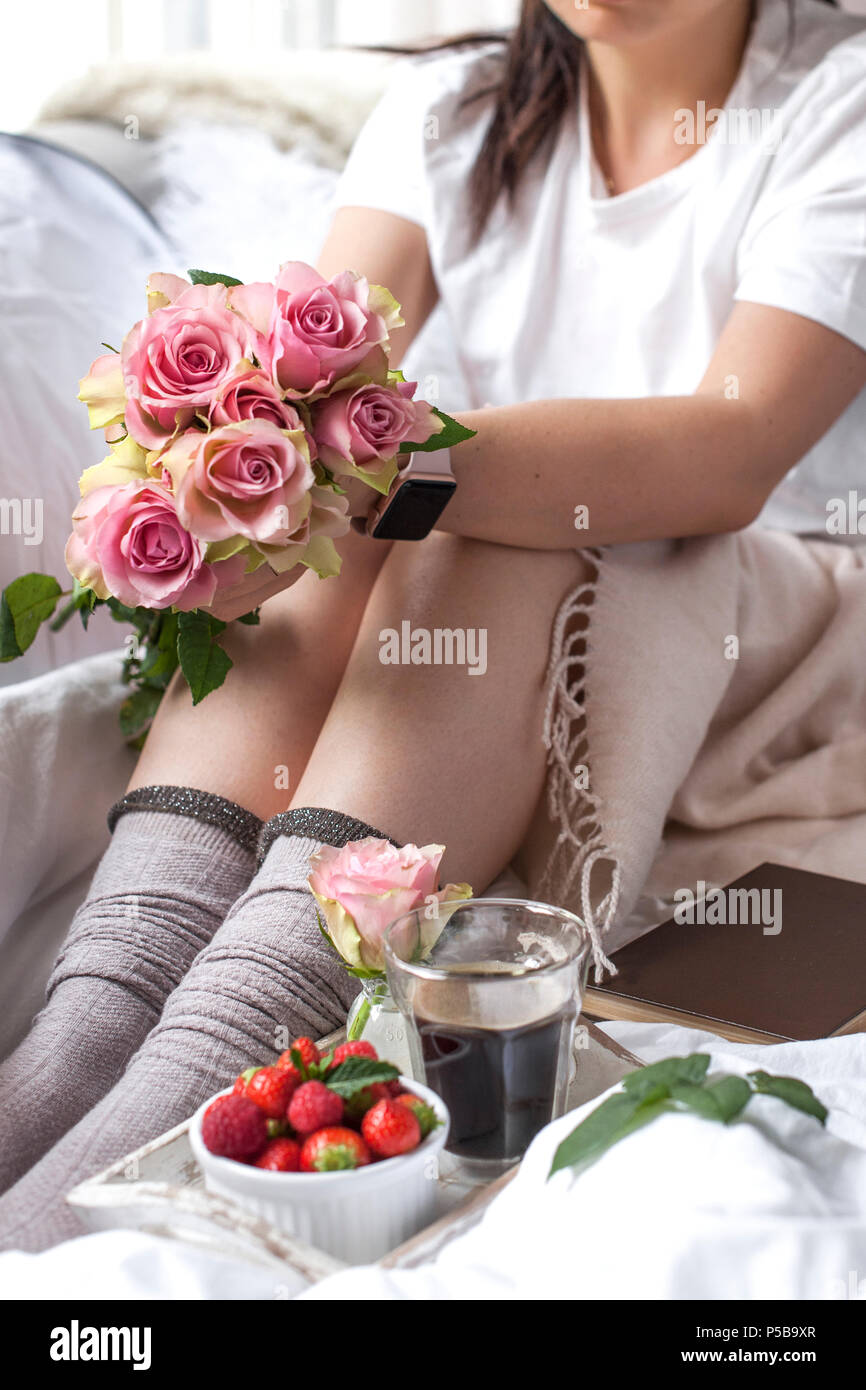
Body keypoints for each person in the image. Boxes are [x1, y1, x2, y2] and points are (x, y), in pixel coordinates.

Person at [1, 0, 865, 1252]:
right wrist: (250, 482)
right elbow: (325, 375)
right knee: (334, 519)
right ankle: (87, 1044)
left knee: (447, 504)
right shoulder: (447, 108)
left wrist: (377, 473)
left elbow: (727, 452)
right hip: (501, 606)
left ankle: (206, 1057)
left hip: (770, 620)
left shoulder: (835, 98)